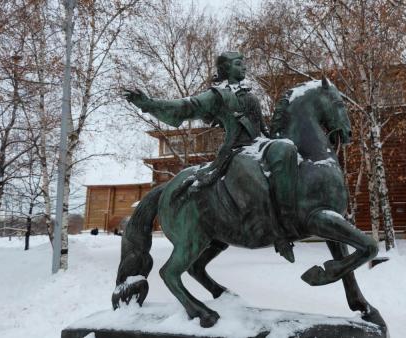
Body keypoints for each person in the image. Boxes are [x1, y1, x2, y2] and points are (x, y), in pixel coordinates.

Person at [123, 52, 298, 262]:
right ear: (225, 69)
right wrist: (149, 104)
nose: (244, 67)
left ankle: (292, 217)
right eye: (238, 64)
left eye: (244, 63)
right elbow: (186, 107)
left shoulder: (248, 93)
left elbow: (261, 128)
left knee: (288, 150)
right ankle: (279, 234)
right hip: (237, 151)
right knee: (256, 184)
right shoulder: (217, 95)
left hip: (261, 146)